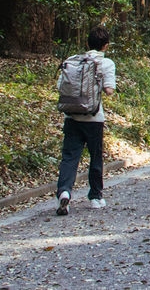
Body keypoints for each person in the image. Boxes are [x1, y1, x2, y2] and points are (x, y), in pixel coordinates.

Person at [55, 26, 117, 215]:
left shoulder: (73, 61)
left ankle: (64, 191)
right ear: (105, 46)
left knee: (69, 157)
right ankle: (96, 197)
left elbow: (60, 86)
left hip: (71, 117)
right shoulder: (106, 63)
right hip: (94, 118)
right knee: (95, 156)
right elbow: (109, 90)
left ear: (87, 43)